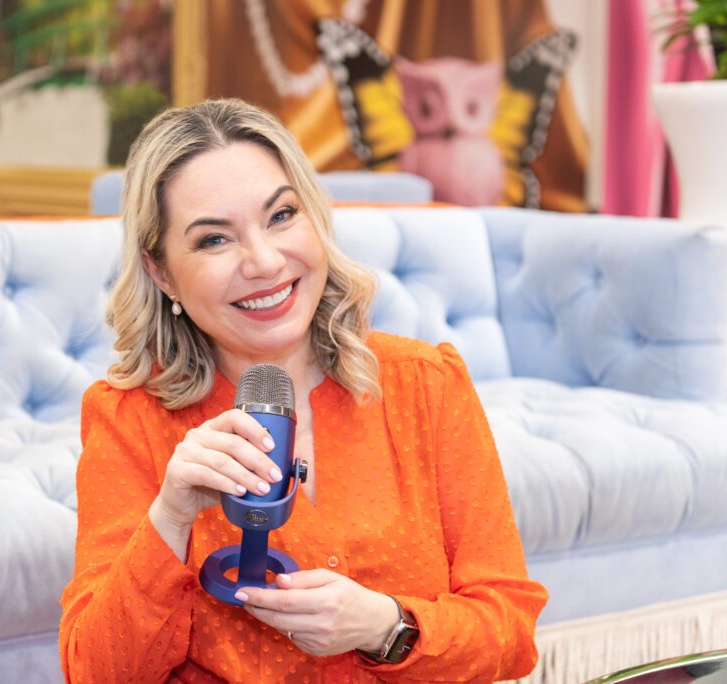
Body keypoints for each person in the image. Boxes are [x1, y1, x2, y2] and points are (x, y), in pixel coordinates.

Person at [59, 98, 547, 682]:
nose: (264, 261)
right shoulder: (129, 418)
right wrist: (170, 518)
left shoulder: (426, 385)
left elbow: (510, 632)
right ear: (162, 273)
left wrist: (385, 627)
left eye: (282, 215)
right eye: (214, 240)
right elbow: (96, 671)